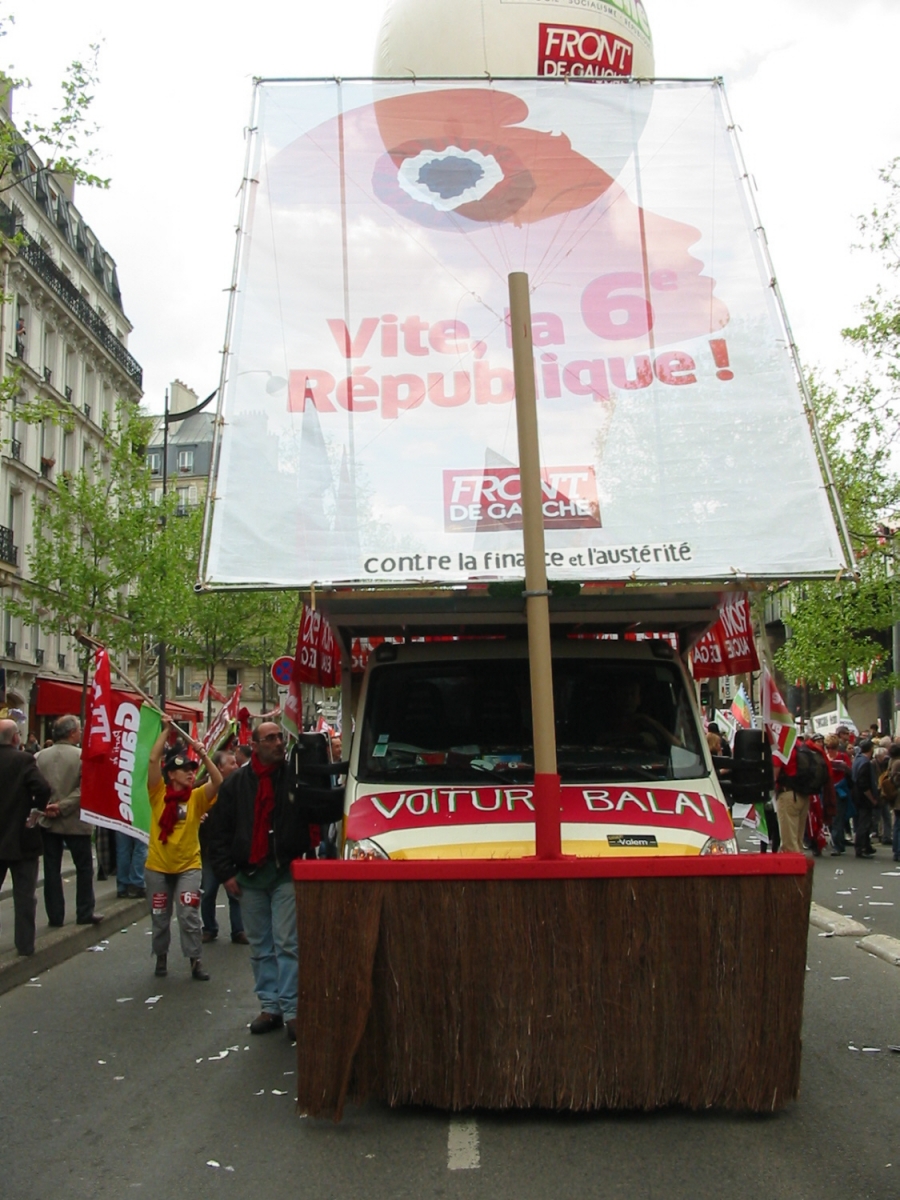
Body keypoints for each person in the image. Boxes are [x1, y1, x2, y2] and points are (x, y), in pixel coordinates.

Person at [207, 721, 344, 1040]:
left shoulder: (295, 778)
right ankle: (270, 1006)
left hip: (285, 870)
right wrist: (226, 872)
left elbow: (321, 808)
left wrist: (321, 771)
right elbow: (220, 831)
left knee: (287, 942)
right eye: (270, 738)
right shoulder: (236, 784)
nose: (278, 743)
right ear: (254, 745)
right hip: (250, 874)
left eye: (280, 737)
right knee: (261, 946)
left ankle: (293, 1009)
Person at [144, 720, 222, 980]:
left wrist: (202, 754)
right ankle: (161, 957)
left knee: (189, 914)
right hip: (158, 866)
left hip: (189, 866)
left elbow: (218, 781)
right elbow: (153, 760)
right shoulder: (157, 794)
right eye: (185, 770)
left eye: (192, 769)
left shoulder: (197, 797)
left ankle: (195, 960)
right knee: (160, 915)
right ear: (171, 775)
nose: (191, 773)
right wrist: (166, 730)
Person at [36, 714, 103, 928]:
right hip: (75, 821)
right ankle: (84, 911)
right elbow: (85, 790)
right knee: (84, 868)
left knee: (51, 870)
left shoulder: (39, 757)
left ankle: (55, 916)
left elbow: (34, 787)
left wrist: (46, 805)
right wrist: (63, 806)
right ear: (72, 733)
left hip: (47, 821)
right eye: (79, 729)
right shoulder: (83, 757)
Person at [0, 718, 52, 955]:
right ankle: (25, 945)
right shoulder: (23, 760)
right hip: (21, 836)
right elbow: (42, 787)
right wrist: (36, 810)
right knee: (24, 895)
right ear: (15, 738)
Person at [200, 748, 248, 945]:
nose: (235, 766)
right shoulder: (204, 789)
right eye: (231, 763)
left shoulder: (240, 787)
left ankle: (239, 930)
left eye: (236, 763)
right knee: (208, 892)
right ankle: (209, 928)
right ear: (219, 767)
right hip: (210, 852)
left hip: (232, 851)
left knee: (235, 893)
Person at [851, 739, 878, 859]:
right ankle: (860, 847)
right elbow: (864, 784)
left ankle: (866, 846)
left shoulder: (857, 760)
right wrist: (872, 798)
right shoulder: (865, 763)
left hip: (856, 795)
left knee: (863, 821)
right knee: (864, 822)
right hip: (863, 797)